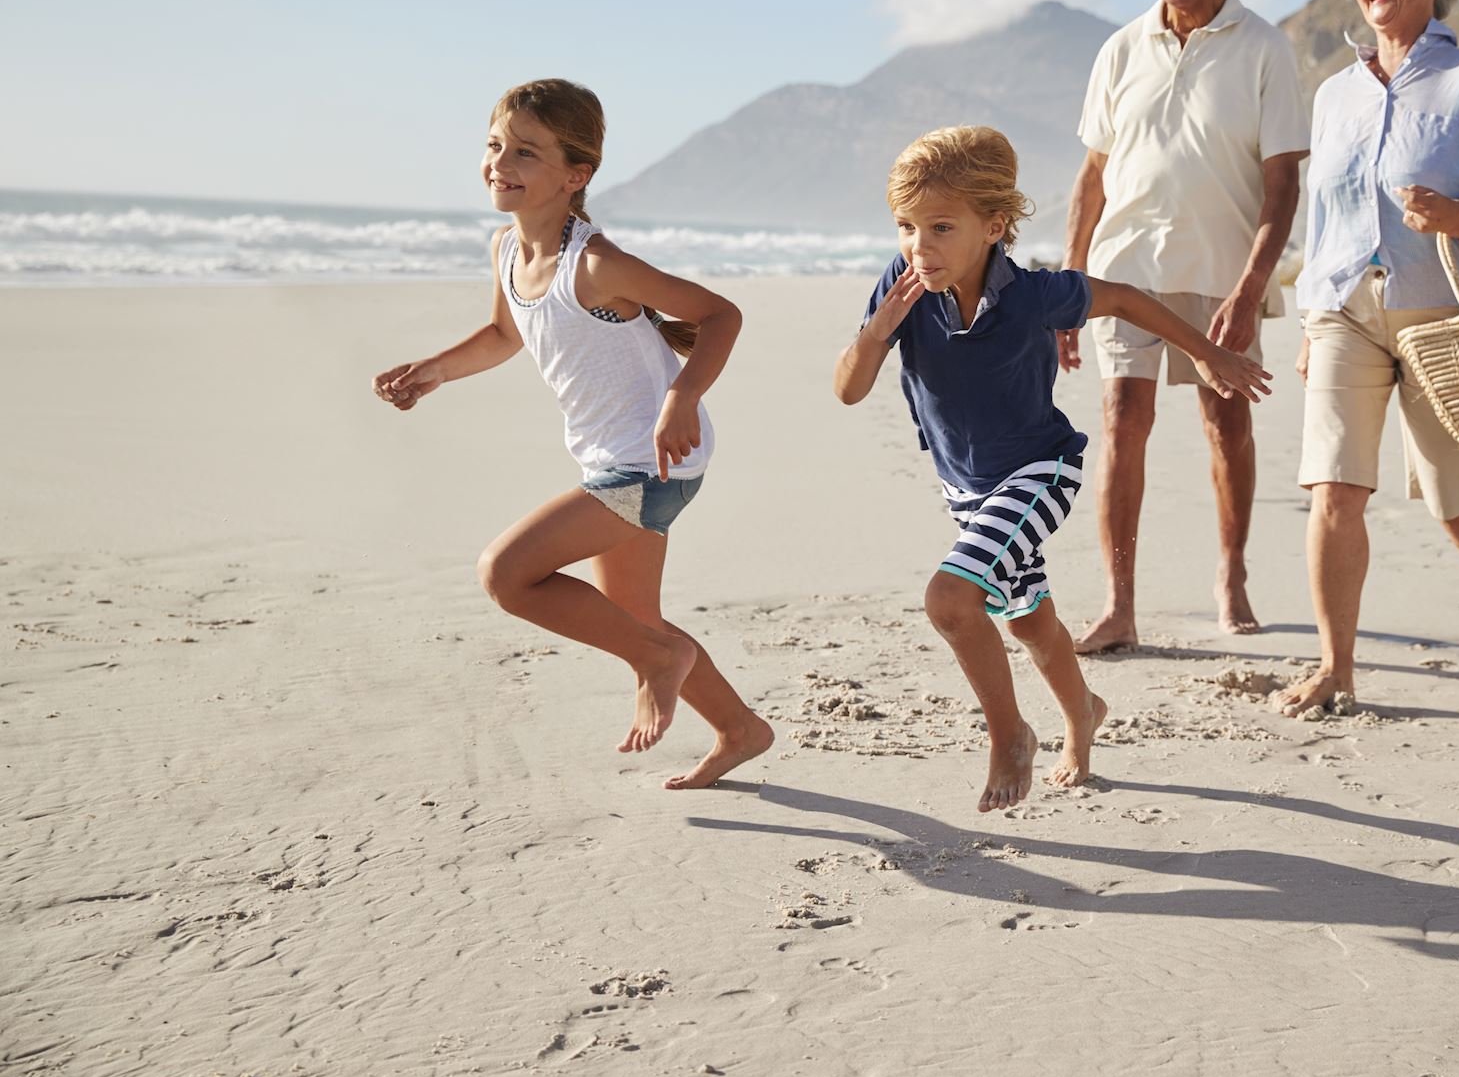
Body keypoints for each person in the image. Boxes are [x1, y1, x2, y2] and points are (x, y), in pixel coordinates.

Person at [835, 125, 1271, 812]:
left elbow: (1126, 298)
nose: (920, 246)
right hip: (965, 490)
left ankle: (1011, 736)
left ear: (994, 225)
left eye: (941, 227)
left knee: (951, 600)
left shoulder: (1033, 295)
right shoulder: (905, 286)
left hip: (1041, 470)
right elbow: (849, 388)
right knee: (1030, 622)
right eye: (905, 227)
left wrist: (1209, 355)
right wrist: (878, 328)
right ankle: (1083, 716)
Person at [372, 79, 773, 787]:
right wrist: (434, 370)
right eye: (495, 146)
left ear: (575, 175)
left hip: (653, 462)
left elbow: (720, 315)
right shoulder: (507, 248)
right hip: (617, 461)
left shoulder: (595, 264)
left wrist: (683, 394)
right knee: (632, 614)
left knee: (507, 573)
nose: (501, 163)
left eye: (526, 152)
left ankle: (657, 663)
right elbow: (505, 333)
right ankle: (739, 727)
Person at [1276, 0, 1459, 718]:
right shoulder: (1336, 95)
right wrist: (1313, 313)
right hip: (1345, 309)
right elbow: (1321, 221)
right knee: (1334, 490)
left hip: (1442, 315)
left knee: (1454, 493)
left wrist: (1456, 217)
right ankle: (1336, 665)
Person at [1060, 0, 1309, 651]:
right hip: (1123, 271)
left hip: (1221, 273)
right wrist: (1068, 285)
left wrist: (1251, 288)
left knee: (1225, 423)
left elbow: (1283, 186)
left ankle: (1231, 575)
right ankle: (1119, 601)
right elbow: (1092, 177)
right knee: (1121, 421)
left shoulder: (1264, 48)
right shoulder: (1121, 48)